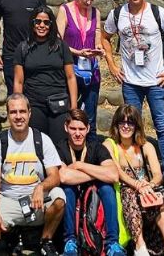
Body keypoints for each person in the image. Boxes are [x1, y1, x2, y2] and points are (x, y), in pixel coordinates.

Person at [100, 0, 164, 185]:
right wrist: (112, 65)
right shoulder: (118, 14)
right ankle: (134, 170)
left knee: (162, 128)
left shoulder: (157, 13)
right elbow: (104, 37)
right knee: (129, 127)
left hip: (156, 82)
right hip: (131, 82)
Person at [0, 93, 66, 256]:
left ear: (29, 113)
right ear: (8, 115)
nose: (18, 116)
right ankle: (14, 235)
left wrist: (41, 187)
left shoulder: (42, 140)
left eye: (22, 111)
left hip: (36, 201)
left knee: (59, 197)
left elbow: (55, 176)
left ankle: (45, 241)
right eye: (13, 112)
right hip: (9, 200)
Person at [104, 105, 164, 256]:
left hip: (146, 187)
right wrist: (136, 184)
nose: (126, 126)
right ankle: (140, 246)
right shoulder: (110, 145)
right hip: (124, 187)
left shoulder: (146, 146)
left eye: (130, 123)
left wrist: (149, 185)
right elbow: (116, 171)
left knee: (159, 200)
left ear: (136, 125)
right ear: (116, 124)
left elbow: (157, 173)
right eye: (122, 122)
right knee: (130, 196)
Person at [57, 109, 123, 256]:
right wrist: (97, 173)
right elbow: (64, 176)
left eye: (81, 129)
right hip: (71, 195)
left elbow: (113, 175)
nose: (77, 133)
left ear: (87, 129)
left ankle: (112, 243)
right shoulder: (60, 147)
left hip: (94, 196)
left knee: (107, 188)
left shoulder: (97, 147)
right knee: (67, 189)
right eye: (73, 128)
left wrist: (79, 166)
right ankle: (70, 241)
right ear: (66, 127)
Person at [0, 0, 46, 117]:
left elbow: (45, 22)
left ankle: (34, 129)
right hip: (10, 54)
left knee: (33, 93)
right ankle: (15, 132)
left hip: (34, 51)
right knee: (13, 95)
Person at [13, 6, 77, 147]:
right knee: (37, 145)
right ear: (32, 23)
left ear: (51, 24)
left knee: (59, 145)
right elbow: (18, 81)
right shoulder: (23, 48)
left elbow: (71, 77)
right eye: (38, 21)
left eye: (46, 22)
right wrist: (18, 105)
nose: (42, 25)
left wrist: (73, 106)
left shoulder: (61, 47)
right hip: (34, 103)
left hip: (59, 103)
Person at [54, 0, 104, 124]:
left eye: (92, 0)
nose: (88, 3)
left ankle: (91, 143)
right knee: (69, 112)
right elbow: (58, 41)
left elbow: (97, 34)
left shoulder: (95, 12)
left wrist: (99, 48)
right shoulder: (65, 10)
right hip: (70, 68)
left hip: (90, 70)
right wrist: (77, 52)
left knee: (90, 116)